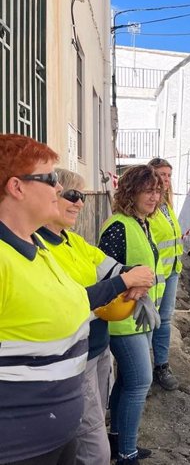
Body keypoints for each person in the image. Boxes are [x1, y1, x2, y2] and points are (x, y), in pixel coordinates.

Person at [36, 168, 154, 465]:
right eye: (73, 195)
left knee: (92, 425)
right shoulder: (38, 248)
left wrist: (134, 278)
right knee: (96, 449)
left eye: (82, 197)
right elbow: (71, 301)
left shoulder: (73, 241)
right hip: (76, 357)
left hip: (98, 347)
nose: (79, 203)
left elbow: (114, 268)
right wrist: (125, 282)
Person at [0, 134, 91, 465]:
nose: (58, 188)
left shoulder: (36, 246)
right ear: (17, 187)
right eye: (50, 178)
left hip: (55, 435)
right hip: (17, 448)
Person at [99, 165, 166, 465]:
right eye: (148, 191)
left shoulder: (140, 223)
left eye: (157, 191)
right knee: (140, 381)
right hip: (124, 320)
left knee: (127, 381)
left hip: (139, 316)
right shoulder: (118, 226)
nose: (154, 197)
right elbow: (105, 278)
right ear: (130, 192)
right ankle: (127, 454)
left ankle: (116, 444)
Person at [147, 158, 183, 391]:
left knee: (165, 321)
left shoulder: (167, 206)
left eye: (169, 175)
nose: (165, 179)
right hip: (152, 276)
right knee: (148, 322)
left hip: (171, 273)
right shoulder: (148, 207)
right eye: (161, 174)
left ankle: (161, 366)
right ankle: (143, 371)